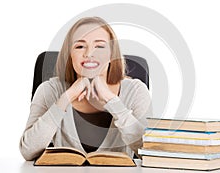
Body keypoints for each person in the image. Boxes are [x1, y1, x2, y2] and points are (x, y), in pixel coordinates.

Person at [19, 16, 152, 161]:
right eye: (80, 46)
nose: (89, 54)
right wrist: (64, 99)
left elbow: (147, 152)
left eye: (99, 46)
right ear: (70, 55)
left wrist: (112, 101)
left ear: (111, 54)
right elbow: (28, 151)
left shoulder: (136, 91)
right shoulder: (49, 90)